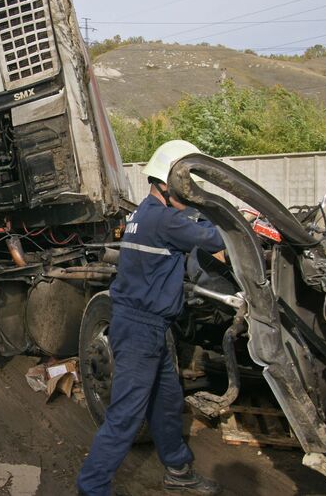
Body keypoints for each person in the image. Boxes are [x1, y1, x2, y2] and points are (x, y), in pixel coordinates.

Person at [77, 141, 225, 496]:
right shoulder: (166, 220)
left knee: (166, 401)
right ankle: (91, 488)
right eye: (187, 188)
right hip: (141, 328)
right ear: (169, 184)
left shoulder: (143, 213)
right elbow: (216, 237)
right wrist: (239, 220)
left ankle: (178, 470)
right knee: (126, 415)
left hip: (147, 326)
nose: (190, 197)